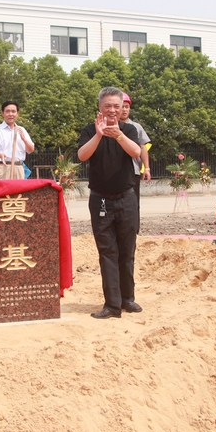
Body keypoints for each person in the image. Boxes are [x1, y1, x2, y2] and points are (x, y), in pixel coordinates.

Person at [77, 86, 142, 319]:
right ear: (100, 107)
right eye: (108, 106)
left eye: (117, 106)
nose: (112, 110)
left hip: (127, 199)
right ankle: (112, 305)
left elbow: (136, 152)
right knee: (107, 252)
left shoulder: (129, 129)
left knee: (127, 250)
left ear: (122, 107)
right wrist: (99, 134)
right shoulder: (89, 130)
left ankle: (127, 299)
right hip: (100, 200)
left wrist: (118, 135)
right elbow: (82, 155)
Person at [120, 93, 151, 218]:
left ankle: (134, 227)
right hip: (115, 171)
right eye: (122, 106)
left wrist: (146, 168)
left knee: (133, 202)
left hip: (133, 171)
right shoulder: (110, 127)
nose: (124, 109)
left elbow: (143, 147)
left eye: (127, 107)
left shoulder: (136, 127)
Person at [0, 101, 34, 179]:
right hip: (2, 167)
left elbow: (31, 150)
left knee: (19, 187)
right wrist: (0, 155)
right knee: (2, 187)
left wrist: (24, 140)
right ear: (2, 113)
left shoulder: (22, 130)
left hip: (18, 168)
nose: (11, 114)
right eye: (7, 111)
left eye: (13, 111)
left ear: (17, 113)